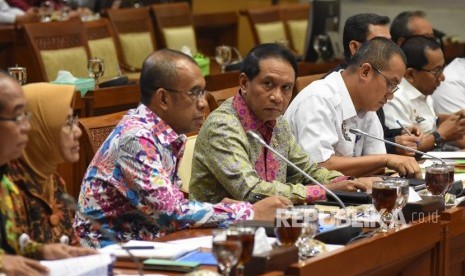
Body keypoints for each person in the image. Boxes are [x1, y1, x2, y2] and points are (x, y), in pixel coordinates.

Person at [74, 49, 290, 248]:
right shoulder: (136, 138)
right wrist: (249, 211)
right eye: (194, 93)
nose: (203, 103)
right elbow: (172, 211)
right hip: (109, 254)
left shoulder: (162, 134)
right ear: (163, 98)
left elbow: (168, 205)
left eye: (203, 92)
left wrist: (223, 208)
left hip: (150, 244)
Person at [189, 43, 372, 206]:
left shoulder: (278, 123)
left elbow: (306, 171)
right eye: (268, 84)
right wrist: (325, 191)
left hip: (270, 225)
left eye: (286, 88)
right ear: (245, 83)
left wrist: (349, 182)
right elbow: (252, 192)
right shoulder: (222, 126)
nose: (277, 97)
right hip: (216, 232)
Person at [285, 38, 422, 178]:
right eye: (390, 84)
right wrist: (386, 160)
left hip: (349, 191)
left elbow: (376, 166)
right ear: (365, 71)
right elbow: (319, 167)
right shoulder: (318, 99)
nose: (390, 96)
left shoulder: (367, 105)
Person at [0, 73, 93, 275]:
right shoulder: (12, 181)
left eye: (26, 117)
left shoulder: (53, 183)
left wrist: (44, 251)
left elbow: (14, 247)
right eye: (18, 117)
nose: (26, 127)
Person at [6, 83, 84, 247]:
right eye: (68, 123)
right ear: (39, 130)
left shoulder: (54, 181)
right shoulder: (9, 183)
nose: (78, 132)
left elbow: (71, 247)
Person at [337, 13, 423, 156]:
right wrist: (391, 151)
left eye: (390, 43)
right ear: (355, 48)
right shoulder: (328, 96)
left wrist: (400, 132)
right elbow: (320, 166)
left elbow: (377, 137)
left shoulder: (369, 92)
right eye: (380, 42)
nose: (389, 49)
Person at [383, 36, 465, 151]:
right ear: (410, 74)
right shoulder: (395, 99)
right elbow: (405, 148)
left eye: (443, 69)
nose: (442, 77)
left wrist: (448, 119)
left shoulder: (424, 92)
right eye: (436, 71)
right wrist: (441, 135)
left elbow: (425, 123)